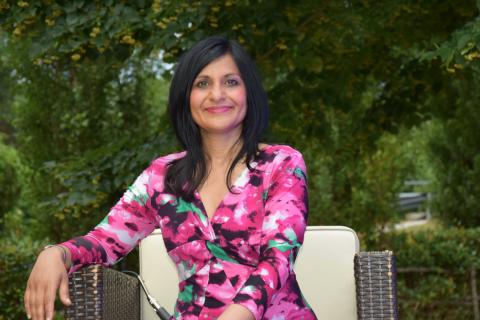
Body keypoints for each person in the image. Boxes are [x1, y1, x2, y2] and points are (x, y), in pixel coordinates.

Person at [24, 35, 317, 320]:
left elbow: (278, 259)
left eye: (231, 81)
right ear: (185, 97)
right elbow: (105, 242)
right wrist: (57, 254)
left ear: (248, 93)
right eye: (202, 83)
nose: (217, 94)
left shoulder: (282, 164)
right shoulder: (162, 176)